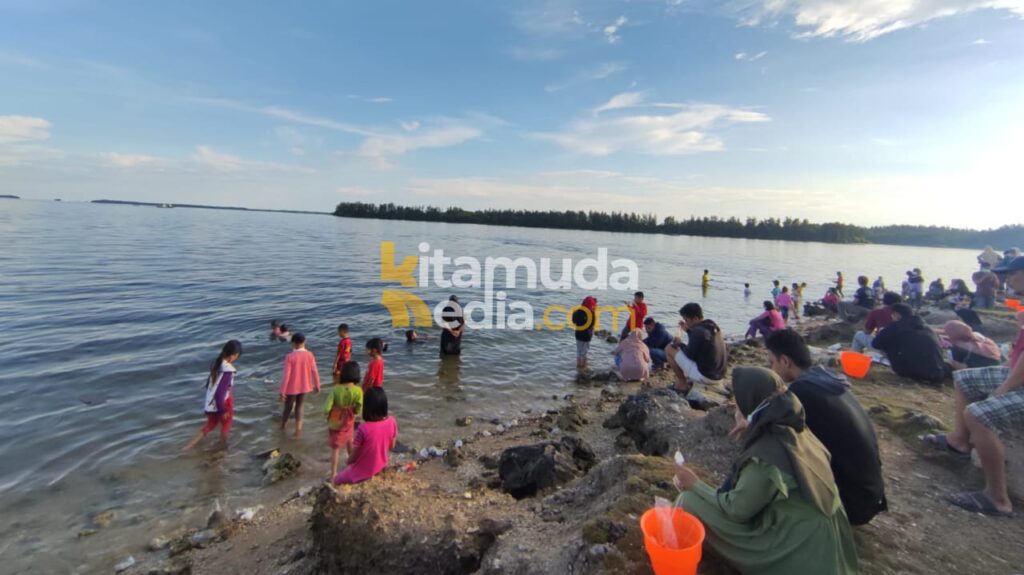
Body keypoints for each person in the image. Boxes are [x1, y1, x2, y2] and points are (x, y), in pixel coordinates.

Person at [674, 367, 858, 575]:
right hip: (825, 544)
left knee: (687, 502)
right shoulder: (796, 431)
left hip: (797, 550)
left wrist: (695, 485)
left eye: (739, 402)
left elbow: (737, 510)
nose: (735, 407)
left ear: (751, 406)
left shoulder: (766, 455)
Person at [924, 256, 1024, 516]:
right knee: (964, 378)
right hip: (1016, 372)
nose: (1006, 279)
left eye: (1012, 274)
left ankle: (997, 498)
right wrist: (1006, 369)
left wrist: (1005, 388)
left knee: (978, 414)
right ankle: (959, 441)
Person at [765, 329, 887, 525]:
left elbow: (769, 430)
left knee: (772, 454)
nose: (771, 369)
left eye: (771, 363)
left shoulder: (801, 393)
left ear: (785, 361)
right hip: (872, 495)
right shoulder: (828, 379)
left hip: (851, 506)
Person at [184, 340, 242, 450]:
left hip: (211, 403)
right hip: (223, 403)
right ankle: (222, 449)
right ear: (233, 355)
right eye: (237, 356)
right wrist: (222, 410)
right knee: (226, 426)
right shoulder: (227, 371)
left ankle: (187, 447)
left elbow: (209, 384)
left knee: (209, 425)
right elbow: (220, 393)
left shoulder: (217, 364)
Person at [333, 387, 398, 485]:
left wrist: (347, 461)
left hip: (361, 473)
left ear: (366, 408)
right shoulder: (392, 421)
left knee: (336, 480)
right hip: (381, 466)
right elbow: (392, 446)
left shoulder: (363, 428)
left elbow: (353, 458)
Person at [665, 303, 727, 405]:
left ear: (695, 318)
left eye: (687, 320)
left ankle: (682, 383)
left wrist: (679, 343)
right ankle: (689, 380)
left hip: (707, 377)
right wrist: (688, 331)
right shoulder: (711, 326)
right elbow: (698, 345)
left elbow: (689, 354)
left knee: (669, 349)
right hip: (719, 375)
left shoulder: (698, 332)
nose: (686, 322)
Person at [871, 303, 947, 385]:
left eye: (892, 315)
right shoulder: (928, 328)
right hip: (936, 372)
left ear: (896, 314)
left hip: (910, 372)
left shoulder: (896, 326)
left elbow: (876, 344)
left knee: (887, 342)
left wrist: (882, 332)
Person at [324, 360, 363, 478]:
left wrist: (327, 416)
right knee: (350, 440)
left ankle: (333, 473)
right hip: (349, 417)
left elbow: (327, 407)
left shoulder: (336, 389)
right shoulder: (358, 390)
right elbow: (359, 406)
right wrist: (355, 412)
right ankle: (352, 465)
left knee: (335, 448)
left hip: (336, 417)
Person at [279, 332, 321, 436]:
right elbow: (314, 371)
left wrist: (282, 391)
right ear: (304, 341)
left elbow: (286, 375)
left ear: (293, 343)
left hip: (292, 387)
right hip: (305, 385)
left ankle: (283, 426)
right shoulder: (310, 354)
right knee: (299, 406)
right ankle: (298, 430)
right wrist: (317, 385)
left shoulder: (290, 357)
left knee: (288, 407)